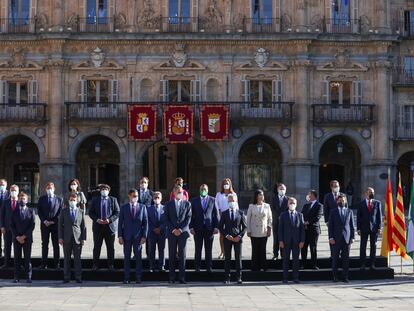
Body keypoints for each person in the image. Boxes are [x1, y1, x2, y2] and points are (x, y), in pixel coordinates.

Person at [118, 189, 148, 284]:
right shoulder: (124, 208)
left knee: (138, 257)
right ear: (129, 196)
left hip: (138, 236)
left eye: (137, 196)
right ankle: (127, 277)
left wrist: (144, 236)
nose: (136, 198)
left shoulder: (142, 207)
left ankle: (138, 277)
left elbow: (146, 222)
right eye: (134, 196)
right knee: (127, 257)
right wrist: (120, 236)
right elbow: (120, 223)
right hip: (127, 236)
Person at [89, 184, 120, 270]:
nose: (104, 190)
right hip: (98, 227)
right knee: (97, 247)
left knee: (110, 247)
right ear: (100, 190)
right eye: (102, 189)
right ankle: (95, 264)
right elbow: (91, 212)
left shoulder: (113, 200)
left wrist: (110, 220)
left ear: (109, 191)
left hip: (109, 227)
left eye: (106, 189)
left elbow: (117, 212)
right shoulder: (95, 200)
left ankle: (110, 265)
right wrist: (96, 219)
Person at [165, 185, 192, 284]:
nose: (181, 194)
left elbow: (188, 218)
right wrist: (173, 230)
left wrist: (180, 229)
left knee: (182, 255)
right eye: (179, 192)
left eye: (182, 192)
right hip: (172, 233)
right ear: (174, 193)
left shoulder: (187, 204)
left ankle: (182, 277)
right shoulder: (168, 204)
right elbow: (166, 219)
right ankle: (171, 277)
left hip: (183, 233)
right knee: (172, 255)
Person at [190, 184, 219, 273]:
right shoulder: (194, 200)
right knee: (198, 249)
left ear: (208, 190)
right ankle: (197, 267)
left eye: (205, 189)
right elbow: (190, 215)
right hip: (197, 228)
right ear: (199, 190)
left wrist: (216, 227)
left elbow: (216, 214)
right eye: (202, 189)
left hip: (209, 228)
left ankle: (209, 267)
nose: (203, 190)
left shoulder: (213, 200)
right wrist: (191, 227)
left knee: (208, 249)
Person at [59, 193, 86, 283]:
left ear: (77, 201)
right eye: (71, 200)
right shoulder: (64, 211)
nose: (72, 201)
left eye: (74, 200)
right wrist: (60, 237)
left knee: (77, 259)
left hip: (77, 238)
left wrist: (83, 238)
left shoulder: (81, 211)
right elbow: (60, 226)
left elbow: (83, 226)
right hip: (66, 238)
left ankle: (78, 277)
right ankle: (66, 277)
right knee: (66, 259)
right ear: (68, 200)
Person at [219, 193, 246, 284]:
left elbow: (245, 227)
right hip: (228, 239)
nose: (231, 202)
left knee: (238, 258)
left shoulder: (241, 213)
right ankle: (227, 278)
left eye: (232, 200)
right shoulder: (224, 213)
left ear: (236, 201)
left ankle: (239, 277)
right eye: (229, 201)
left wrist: (239, 236)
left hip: (237, 239)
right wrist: (226, 236)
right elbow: (220, 227)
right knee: (227, 258)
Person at [329, 194, 355, 283]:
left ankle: (345, 277)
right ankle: (335, 277)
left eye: (343, 200)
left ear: (345, 201)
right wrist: (331, 237)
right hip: (335, 239)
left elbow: (352, 225)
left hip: (346, 239)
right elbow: (330, 226)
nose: (341, 202)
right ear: (337, 201)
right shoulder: (333, 212)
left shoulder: (349, 211)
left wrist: (352, 237)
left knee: (346, 259)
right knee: (335, 258)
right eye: (340, 200)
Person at [37, 182, 64, 270]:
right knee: (44, 244)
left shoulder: (59, 199)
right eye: (48, 188)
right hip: (44, 225)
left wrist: (53, 221)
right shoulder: (41, 199)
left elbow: (60, 212)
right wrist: (44, 221)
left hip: (55, 225)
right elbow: (39, 211)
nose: (49, 190)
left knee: (56, 244)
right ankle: (44, 264)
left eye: (51, 188)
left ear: (54, 189)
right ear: (45, 189)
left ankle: (57, 264)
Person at [278, 197, 305, 283]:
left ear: (296, 205)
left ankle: (295, 277)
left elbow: (302, 229)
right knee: (285, 260)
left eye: (293, 203)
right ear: (287, 204)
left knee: (296, 260)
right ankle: (285, 278)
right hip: (286, 241)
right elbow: (280, 229)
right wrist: (280, 241)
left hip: (297, 242)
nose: (292, 204)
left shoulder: (300, 215)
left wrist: (302, 241)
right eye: (290, 203)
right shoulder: (283, 215)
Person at [10, 192, 35, 283]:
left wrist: (24, 236)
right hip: (16, 239)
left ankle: (28, 276)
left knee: (27, 258)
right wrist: (17, 236)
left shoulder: (31, 211)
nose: (22, 200)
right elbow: (12, 226)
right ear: (18, 200)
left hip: (27, 239)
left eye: (24, 199)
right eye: (21, 198)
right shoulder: (14, 212)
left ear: (27, 200)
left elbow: (32, 226)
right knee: (17, 258)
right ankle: (16, 277)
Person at [246, 189, 272, 271]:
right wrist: (248, 230)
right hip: (254, 231)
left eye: (262, 195)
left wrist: (269, 228)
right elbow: (248, 219)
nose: (261, 196)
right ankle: (254, 267)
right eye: (260, 195)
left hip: (263, 231)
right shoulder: (251, 206)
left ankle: (264, 266)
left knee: (263, 249)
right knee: (255, 250)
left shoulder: (267, 206)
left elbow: (270, 218)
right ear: (256, 196)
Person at [357, 187, 382, 270]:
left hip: (374, 228)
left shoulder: (377, 203)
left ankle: (372, 264)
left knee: (373, 246)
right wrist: (358, 228)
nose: (371, 193)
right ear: (366, 193)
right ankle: (362, 264)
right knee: (363, 246)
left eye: (372, 192)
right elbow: (358, 217)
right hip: (364, 228)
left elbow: (379, 217)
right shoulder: (361, 204)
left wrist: (379, 227)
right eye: (370, 192)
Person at [215, 178, 237, 259]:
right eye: (224, 183)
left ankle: (229, 253)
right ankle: (222, 252)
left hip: (230, 217)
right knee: (222, 235)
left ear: (230, 184)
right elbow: (216, 205)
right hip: (221, 216)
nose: (226, 185)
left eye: (227, 183)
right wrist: (219, 213)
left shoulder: (234, 194)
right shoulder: (219, 194)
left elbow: (236, 206)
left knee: (231, 234)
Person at [301, 190, 323, 270]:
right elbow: (302, 215)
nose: (308, 196)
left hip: (313, 229)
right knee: (304, 247)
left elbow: (318, 216)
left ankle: (314, 264)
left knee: (313, 247)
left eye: (309, 195)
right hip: (305, 229)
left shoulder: (319, 205)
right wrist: (303, 222)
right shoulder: (306, 205)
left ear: (313, 196)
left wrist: (308, 222)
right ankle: (303, 264)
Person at [147, 191, 167, 272]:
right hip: (152, 233)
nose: (156, 199)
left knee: (161, 250)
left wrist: (160, 228)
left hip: (162, 233)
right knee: (151, 250)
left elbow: (166, 220)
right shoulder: (148, 209)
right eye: (155, 197)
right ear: (153, 199)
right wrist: (154, 229)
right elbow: (147, 220)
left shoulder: (165, 208)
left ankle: (161, 266)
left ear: (161, 199)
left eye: (158, 197)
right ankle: (152, 266)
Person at [0, 184, 19, 268]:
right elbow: (2, 215)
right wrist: (2, 226)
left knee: (17, 247)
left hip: (18, 229)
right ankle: (6, 263)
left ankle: (17, 264)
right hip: (7, 228)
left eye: (15, 190)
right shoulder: (5, 201)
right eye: (12, 190)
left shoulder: (21, 201)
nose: (13, 192)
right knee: (7, 246)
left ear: (18, 192)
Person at [271, 183, 289, 260]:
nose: (282, 190)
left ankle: (283, 255)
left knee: (284, 239)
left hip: (285, 223)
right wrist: (278, 216)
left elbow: (288, 210)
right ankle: (275, 254)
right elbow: (272, 209)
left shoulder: (288, 199)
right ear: (278, 190)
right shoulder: (273, 198)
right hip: (276, 222)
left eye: (283, 189)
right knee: (276, 239)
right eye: (280, 189)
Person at [0, 178, 9, 260]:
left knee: (6, 238)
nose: (1, 186)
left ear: (6, 185)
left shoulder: (9, 194)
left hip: (6, 220)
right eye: (0, 184)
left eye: (3, 184)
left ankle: (6, 254)